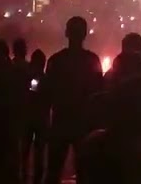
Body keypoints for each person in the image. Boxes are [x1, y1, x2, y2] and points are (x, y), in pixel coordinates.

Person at [43, 16, 104, 184]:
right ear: (85, 34)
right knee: (84, 172)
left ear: (66, 33)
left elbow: (47, 93)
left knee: (53, 171)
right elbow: (98, 92)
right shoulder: (92, 60)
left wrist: (45, 123)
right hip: (83, 122)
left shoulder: (56, 60)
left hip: (61, 120)